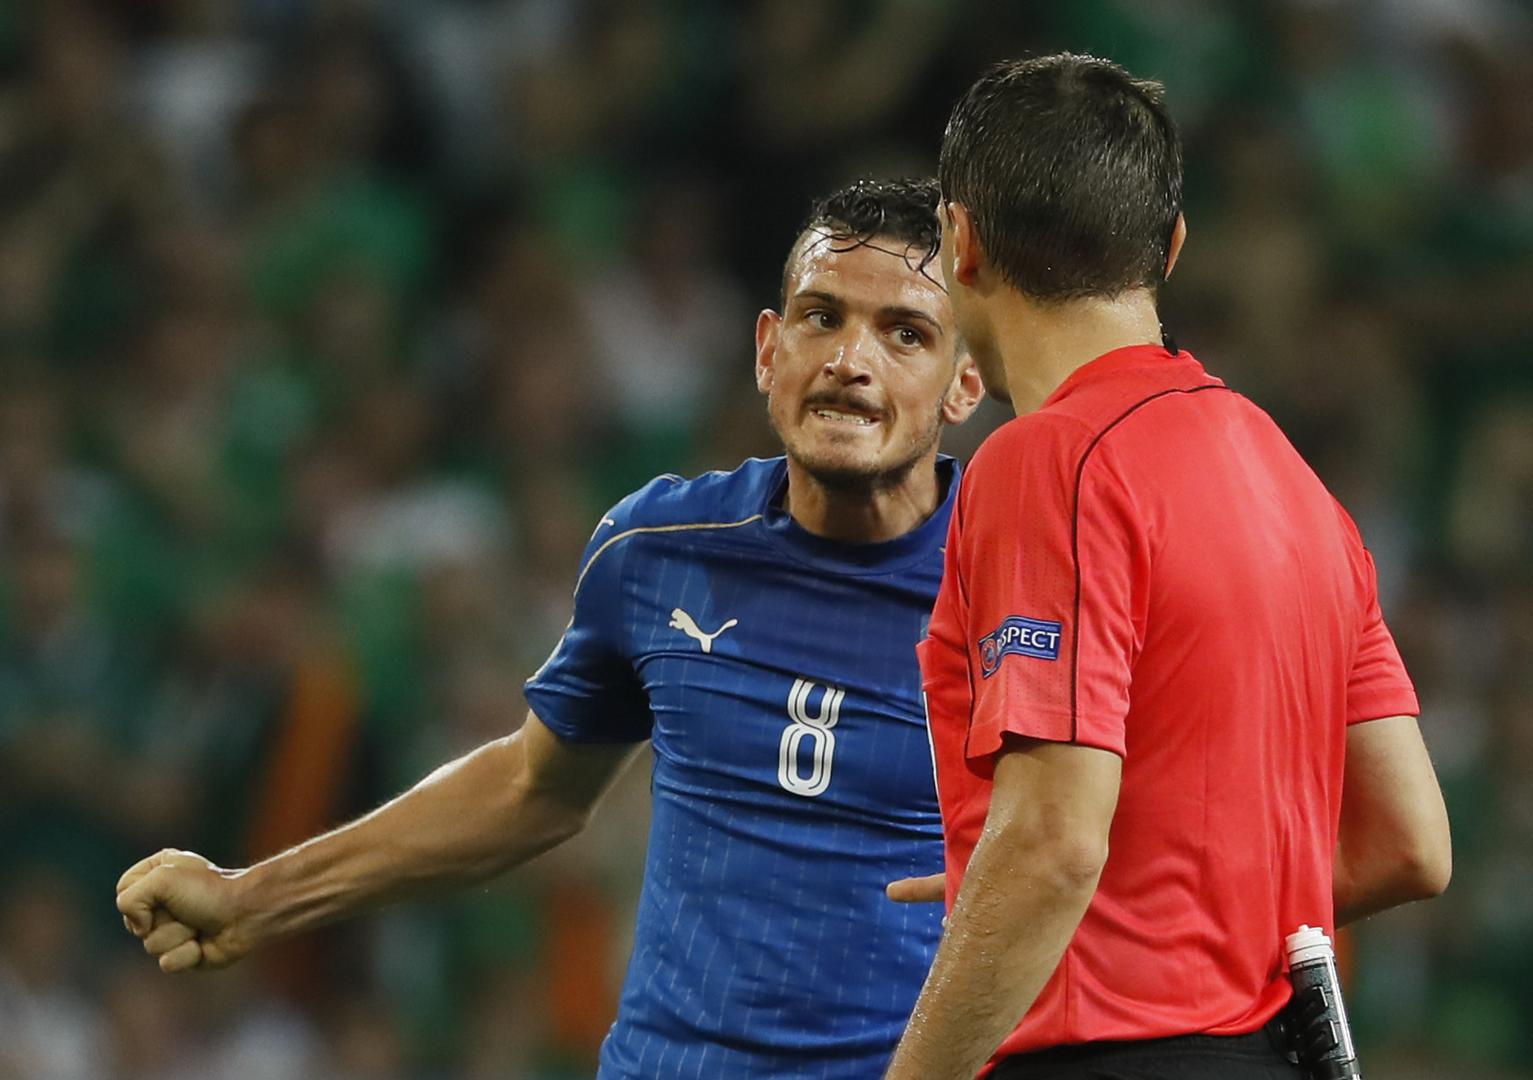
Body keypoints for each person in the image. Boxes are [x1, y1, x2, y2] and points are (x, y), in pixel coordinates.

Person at [115, 177, 985, 1079]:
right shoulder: (659, 549)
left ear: (965, 382)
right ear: (769, 350)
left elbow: (1063, 869)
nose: (850, 360)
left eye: (905, 334)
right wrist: (250, 898)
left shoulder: (1016, 587)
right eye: (822, 318)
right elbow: (533, 788)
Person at [885, 55, 1452, 1080]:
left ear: (960, 242)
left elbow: (1053, 846)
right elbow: (1408, 840)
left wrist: (1026, 902)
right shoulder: (1293, 478)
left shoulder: (1046, 460)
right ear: (1173, 246)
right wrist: (1087, 900)